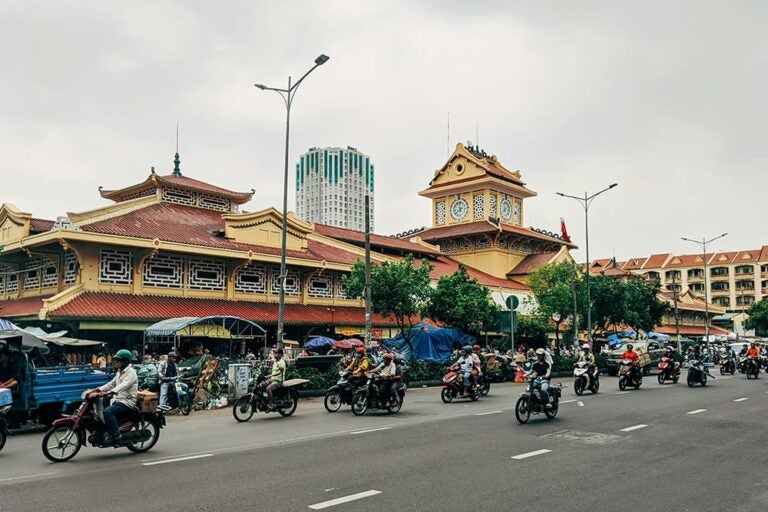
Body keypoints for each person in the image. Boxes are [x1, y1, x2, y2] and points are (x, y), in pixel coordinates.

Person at [91, 349, 137, 445]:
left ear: (126, 361)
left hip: (127, 401)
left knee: (107, 412)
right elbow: (111, 384)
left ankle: (116, 436)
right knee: (98, 411)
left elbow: (124, 385)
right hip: (117, 399)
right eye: (116, 360)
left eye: (119, 360)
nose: (116, 362)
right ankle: (103, 432)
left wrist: (110, 392)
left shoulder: (131, 373)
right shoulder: (119, 372)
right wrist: (97, 390)